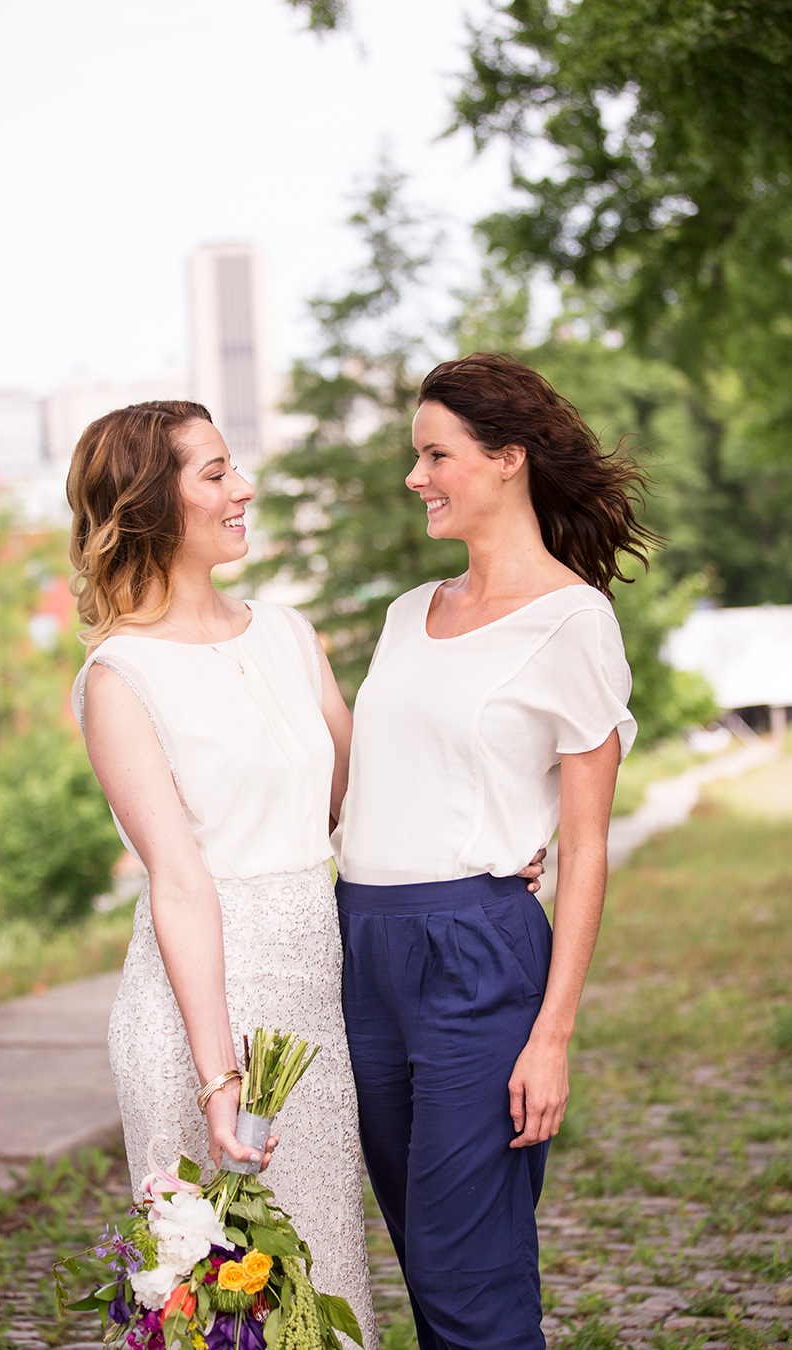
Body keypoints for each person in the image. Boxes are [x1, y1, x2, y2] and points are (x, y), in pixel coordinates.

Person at [334, 353, 651, 1350]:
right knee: (420, 1258)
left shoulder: (572, 621)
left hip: (475, 951)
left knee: (463, 1264)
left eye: (436, 454)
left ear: (508, 458)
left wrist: (551, 1035)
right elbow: (388, 778)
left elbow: (589, 845)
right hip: (367, 947)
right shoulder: (404, 615)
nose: (416, 477)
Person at [66, 400, 377, 1348]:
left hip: (311, 1009)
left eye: (234, 466)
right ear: (151, 505)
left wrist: (499, 845)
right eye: (214, 473)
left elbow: (351, 811)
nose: (243, 488)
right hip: (199, 1017)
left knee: (323, 1288)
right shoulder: (120, 676)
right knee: (220, 1310)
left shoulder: (290, 634)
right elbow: (182, 880)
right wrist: (218, 1080)